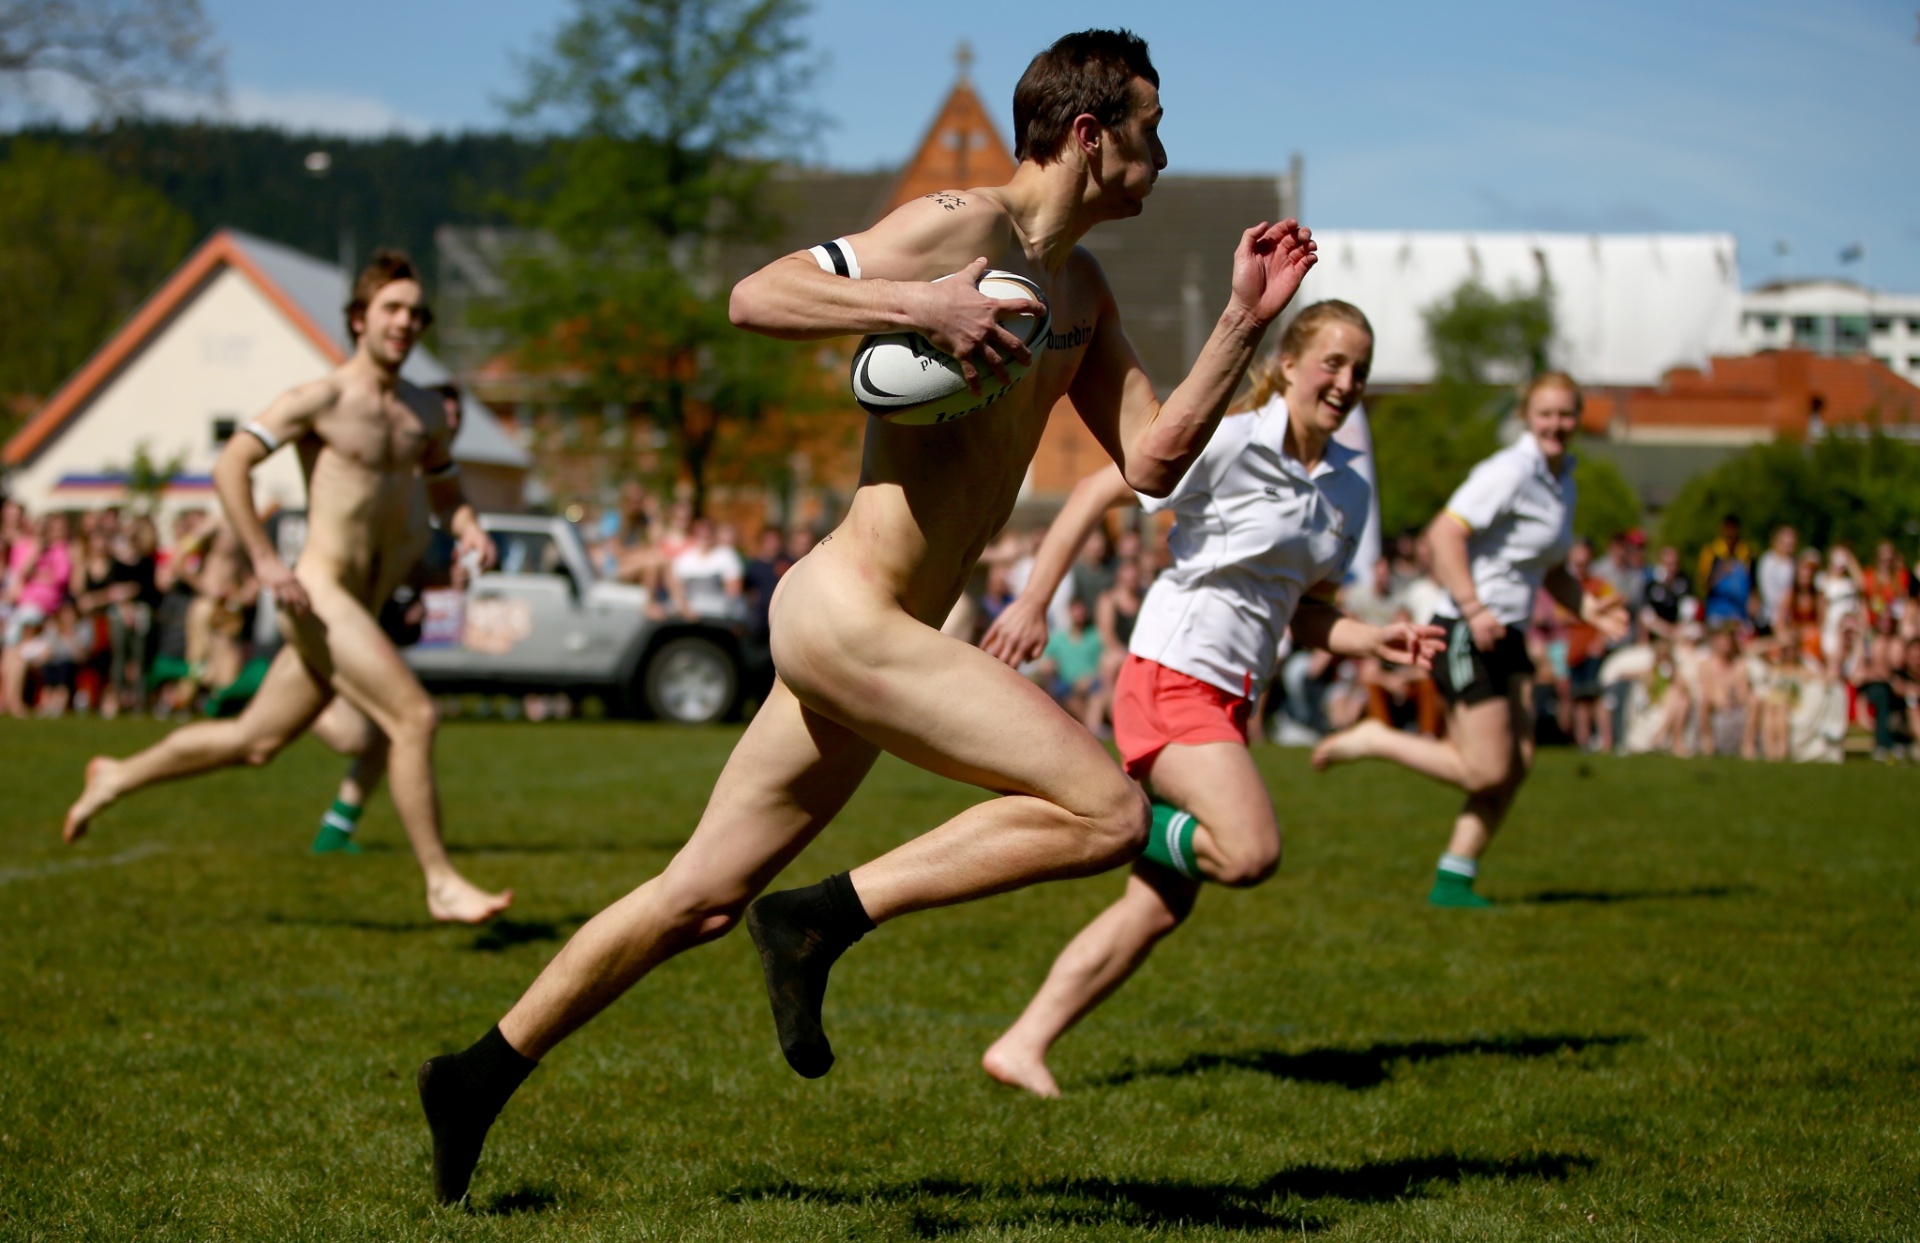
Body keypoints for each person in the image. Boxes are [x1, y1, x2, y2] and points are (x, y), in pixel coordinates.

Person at [414, 28, 1319, 1204]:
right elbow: (757, 294)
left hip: (874, 637)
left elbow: (1151, 459)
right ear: (1092, 135)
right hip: (847, 615)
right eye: (1153, 126)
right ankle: (822, 918)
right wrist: (919, 305)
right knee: (1104, 813)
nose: (1166, 153)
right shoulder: (962, 226)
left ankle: (475, 1075)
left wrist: (1244, 323)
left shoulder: (1082, 294)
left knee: (693, 897)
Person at [972, 300, 1440, 1096]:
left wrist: (1377, 639)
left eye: (1359, 369)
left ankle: (1023, 1042)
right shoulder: (1229, 442)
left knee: (1157, 908)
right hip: (1170, 675)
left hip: (1229, 700)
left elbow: (1309, 613)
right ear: (1289, 363)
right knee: (1249, 850)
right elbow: (1090, 492)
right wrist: (1031, 602)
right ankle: (1115, 821)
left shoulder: (1348, 493)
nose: (1347, 381)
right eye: (1332, 361)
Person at [60, 250, 510, 924]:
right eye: (392, 308)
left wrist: (470, 526)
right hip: (318, 592)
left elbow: (446, 489)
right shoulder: (320, 398)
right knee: (413, 716)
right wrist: (267, 560)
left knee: (254, 741)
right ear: (360, 318)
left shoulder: (424, 412)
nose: (406, 322)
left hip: (361, 605)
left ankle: (115, 776)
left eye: (417, 313)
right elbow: (231, 464)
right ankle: (440, 881)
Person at [1311, 373, 1628, 907]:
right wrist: (1474, 606)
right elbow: (1443, 533)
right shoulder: (1510, 470)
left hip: (1508, 633)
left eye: (1566, 415)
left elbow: (1551, 571)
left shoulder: (1562, 479)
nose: (1556, 425)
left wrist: (1590, 607)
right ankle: (1374, 738)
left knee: (1518, 762)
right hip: (1465, 628)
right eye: (1546, 414)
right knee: (1484, 767)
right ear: (1528, 415)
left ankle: (1454, 879)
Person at [1697, 514, 1753, 627]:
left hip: (1740, 612)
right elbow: (1703, 586)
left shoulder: (1745, 552)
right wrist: (1720, 572)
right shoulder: (1711, 552)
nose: (1730, 533)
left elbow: (1751, 584)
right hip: (1717, 612)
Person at [1755, 525, 1798, 635]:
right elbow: (1768, 593)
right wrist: (1779, 614)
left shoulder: (1792, 564)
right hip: (1770, 617)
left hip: (1788, 617)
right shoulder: (1767, 562)